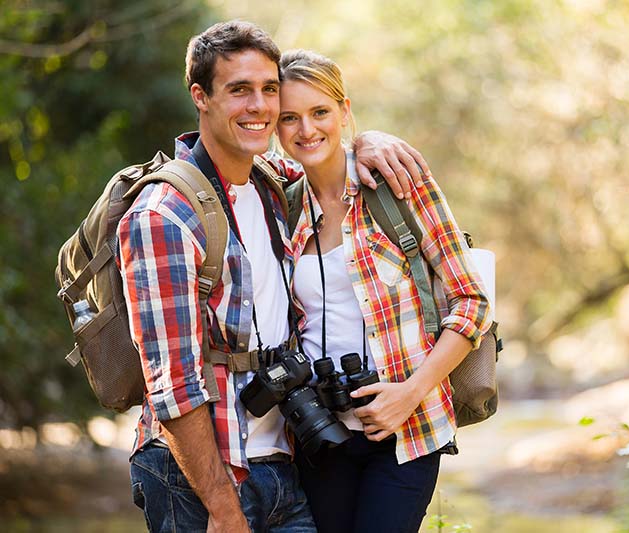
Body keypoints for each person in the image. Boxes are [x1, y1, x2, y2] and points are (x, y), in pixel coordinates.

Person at [118, 21, 428, 533]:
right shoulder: (162, 217)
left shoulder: (270, 185)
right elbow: (173, 385)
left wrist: (367, 140)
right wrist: (222, 507)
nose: (259, 106)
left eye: (268, 89)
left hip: (283, 462)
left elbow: (325, 157)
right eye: (239, 89)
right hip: (200, 478)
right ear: (201, 97)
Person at [276, 49, 492, 533]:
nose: (306, 130)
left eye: (320, 112)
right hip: (320, 433)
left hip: (407, 430)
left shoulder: (397, 185)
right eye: (289, 118)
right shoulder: (282, 202)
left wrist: (410, 393)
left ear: (345, 111)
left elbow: (472, 302)